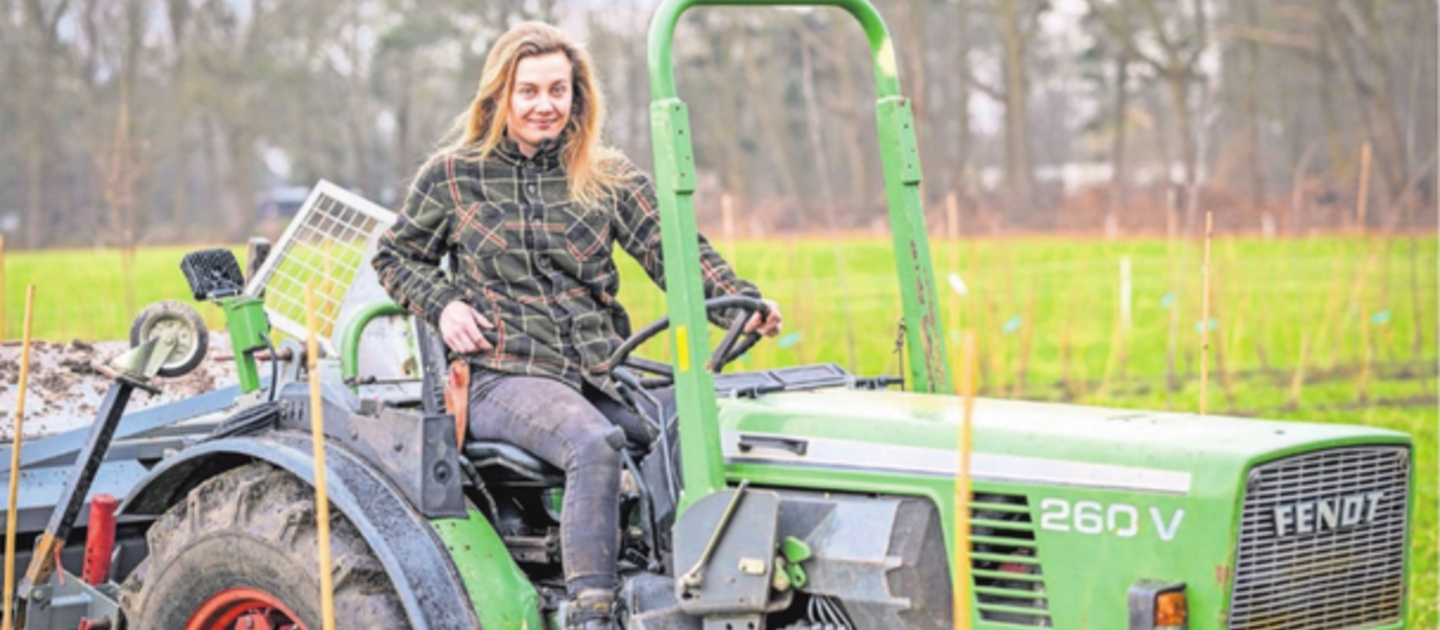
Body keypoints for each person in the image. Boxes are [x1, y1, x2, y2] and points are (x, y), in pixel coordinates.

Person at [371, 21, 782, 630]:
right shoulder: (454, 175)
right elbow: (395, 256)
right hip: (503, 373)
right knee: (592, 444)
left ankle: (687, 578)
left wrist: (742, 299)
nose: (544, 105)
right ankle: (593, 611)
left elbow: (676, 252)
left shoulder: (607, 176)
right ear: (500, 96)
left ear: (577, 97)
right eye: (529, 91)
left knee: (695, 425)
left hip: (601, 370)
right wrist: (444, 306)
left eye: (558, 91)